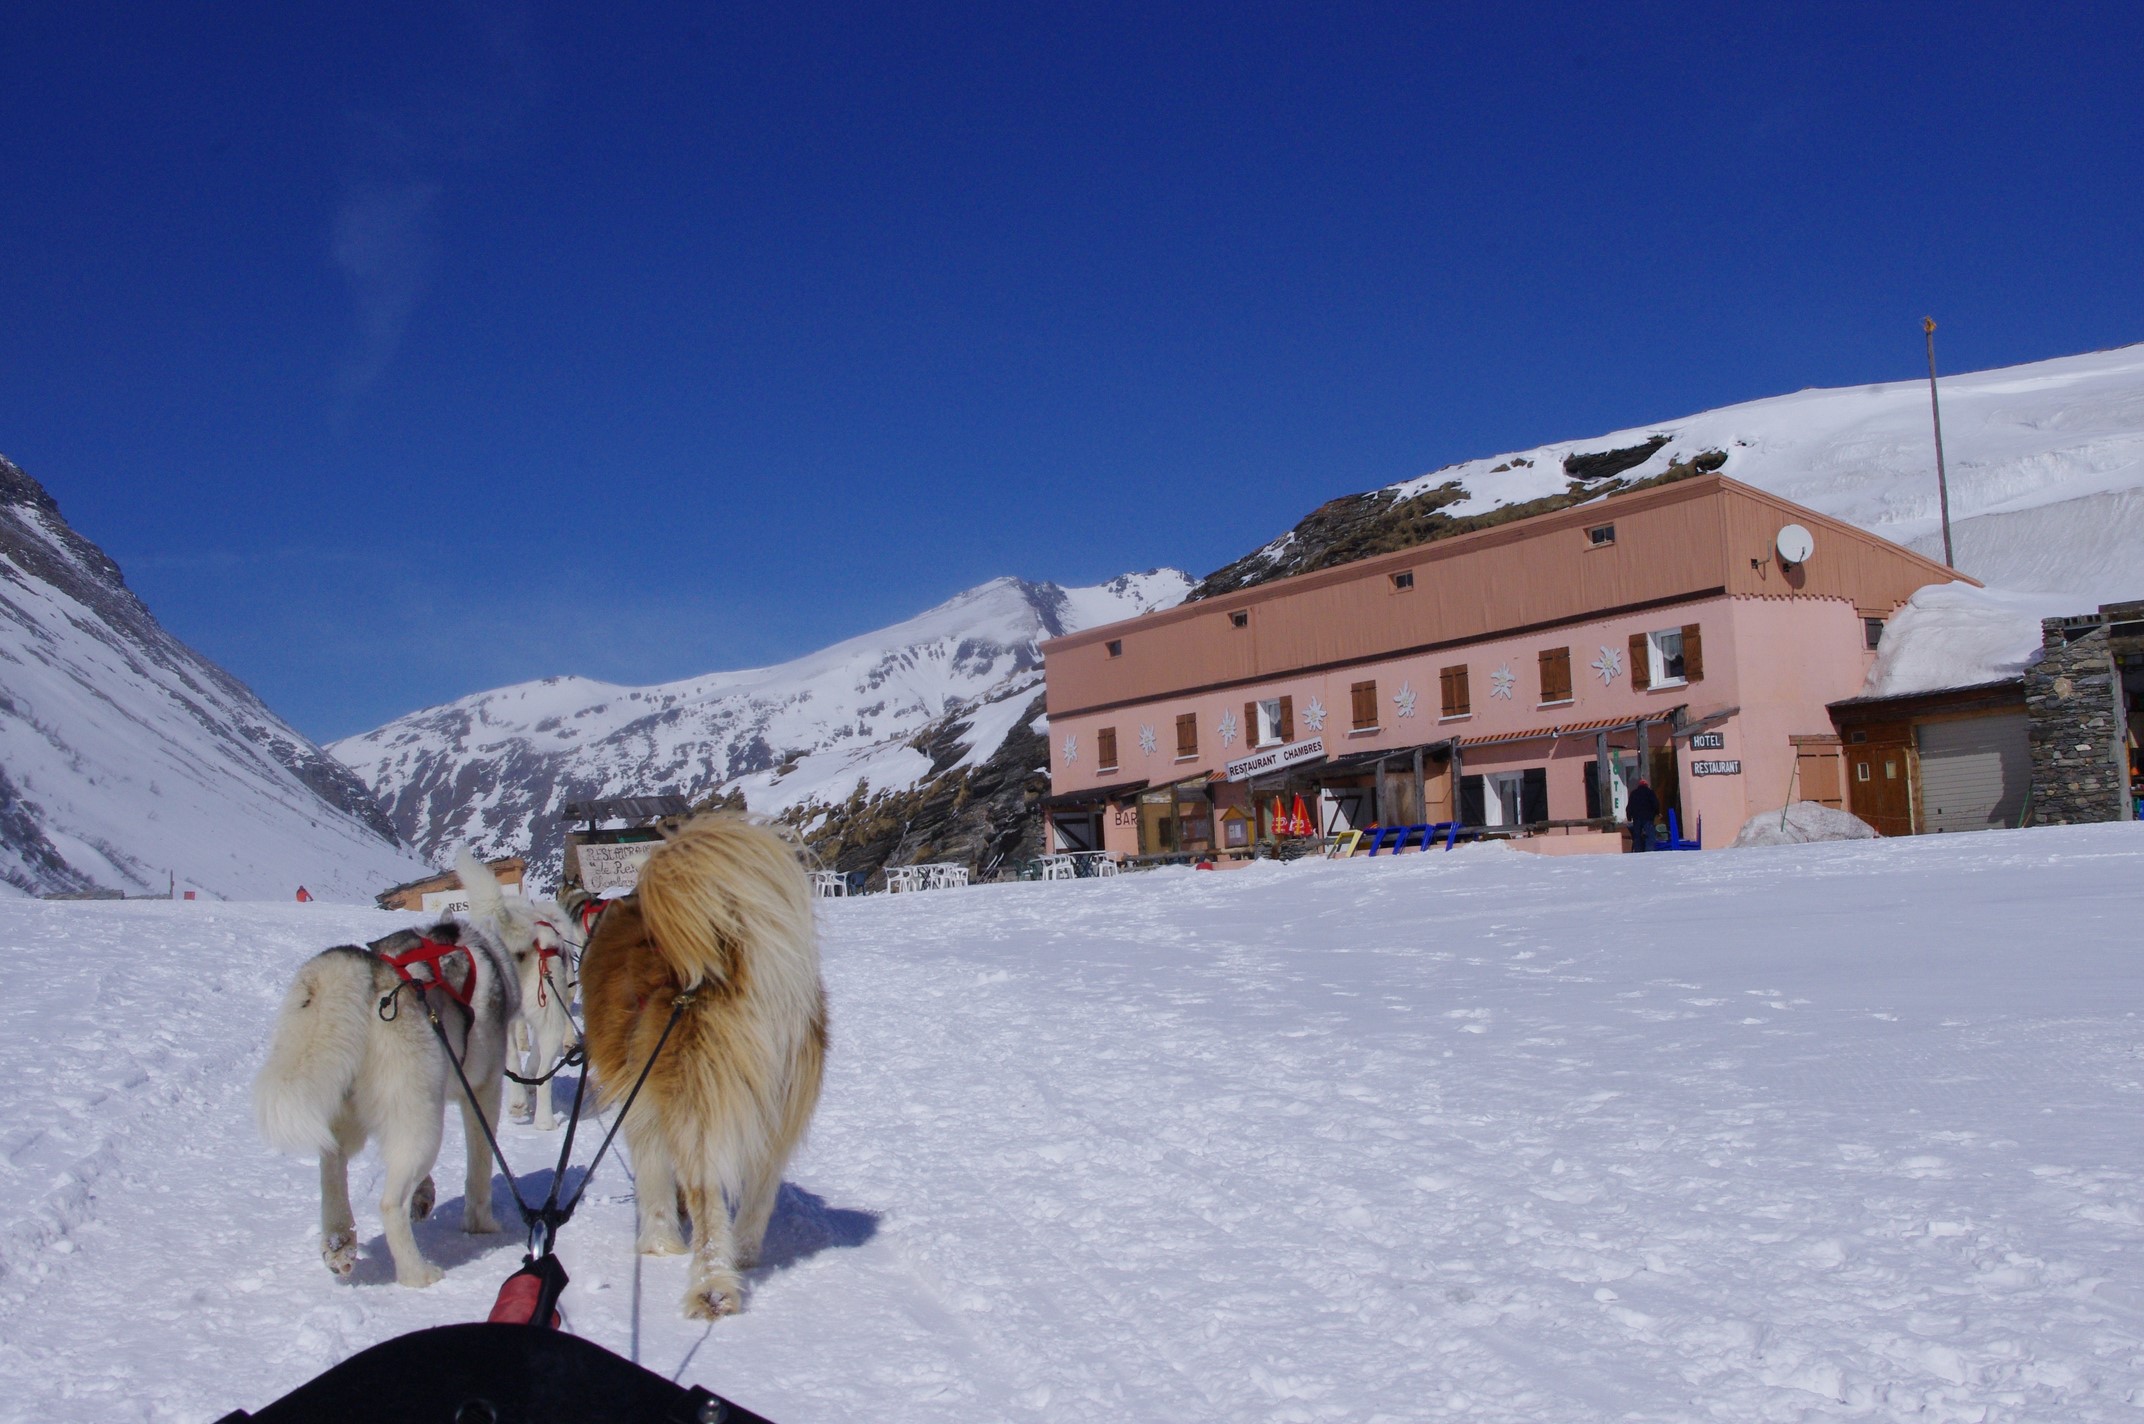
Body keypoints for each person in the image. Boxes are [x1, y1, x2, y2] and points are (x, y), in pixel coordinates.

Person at [1624, 779, 1661, 853]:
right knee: (1650, 835)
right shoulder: (1650, 792)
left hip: (1636, 818)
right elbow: (1655, 804)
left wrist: (1629, 817)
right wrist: (1657, 813)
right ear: (1647, 785)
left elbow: (1629, 806)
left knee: (1637, 836)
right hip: (1648, 817)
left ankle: (1638, 850)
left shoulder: (1634, 793)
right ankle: (1649, 850)